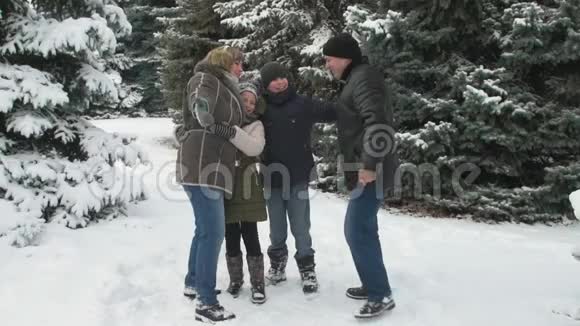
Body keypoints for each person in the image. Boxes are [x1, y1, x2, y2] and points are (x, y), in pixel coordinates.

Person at [322, 33, 399, 318]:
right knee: (365, 229)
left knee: (356, 230)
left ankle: (380, 295)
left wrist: (369, 164)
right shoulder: (357, 78)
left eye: (329, 59)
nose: (328, 65)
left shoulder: (364, 78)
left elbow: (377, 122)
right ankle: (373, 284)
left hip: (371, 170)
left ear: (345, 57)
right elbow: (352, 116)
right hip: (366, 169)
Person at [175, 45, 244, 323]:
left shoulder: (226, 87)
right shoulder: (207, 78)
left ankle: (194, 282)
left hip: (213, 166)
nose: (241, 68)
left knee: (204, 229)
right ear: (225, 62)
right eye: (238, 63)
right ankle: (206, 302)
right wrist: (205, 116)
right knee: (214, 232)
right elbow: (199, 99)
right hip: (203, 164)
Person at [259, 61, 336, 294]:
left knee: (301, 226)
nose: (280, 81)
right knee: (277, 227)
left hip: (298, 176)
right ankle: (277, 265)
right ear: (266, 84)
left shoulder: (302, 104)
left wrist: (350, 107)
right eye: (274, 78)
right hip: (272, 177)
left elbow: (330, 111)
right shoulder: (261, 109)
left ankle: (307, 268)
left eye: (283, 76)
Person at [221, 82, 268, 304]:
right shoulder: (226, 118)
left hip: (248, 184)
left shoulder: (256, 125)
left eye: (252, 102)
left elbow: (253, 148)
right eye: (244, 100)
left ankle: (258, 283)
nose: (248, 105)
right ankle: (236, 279)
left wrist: (231, 132)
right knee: (230, 232)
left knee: (250, 232)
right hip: (226, 181)